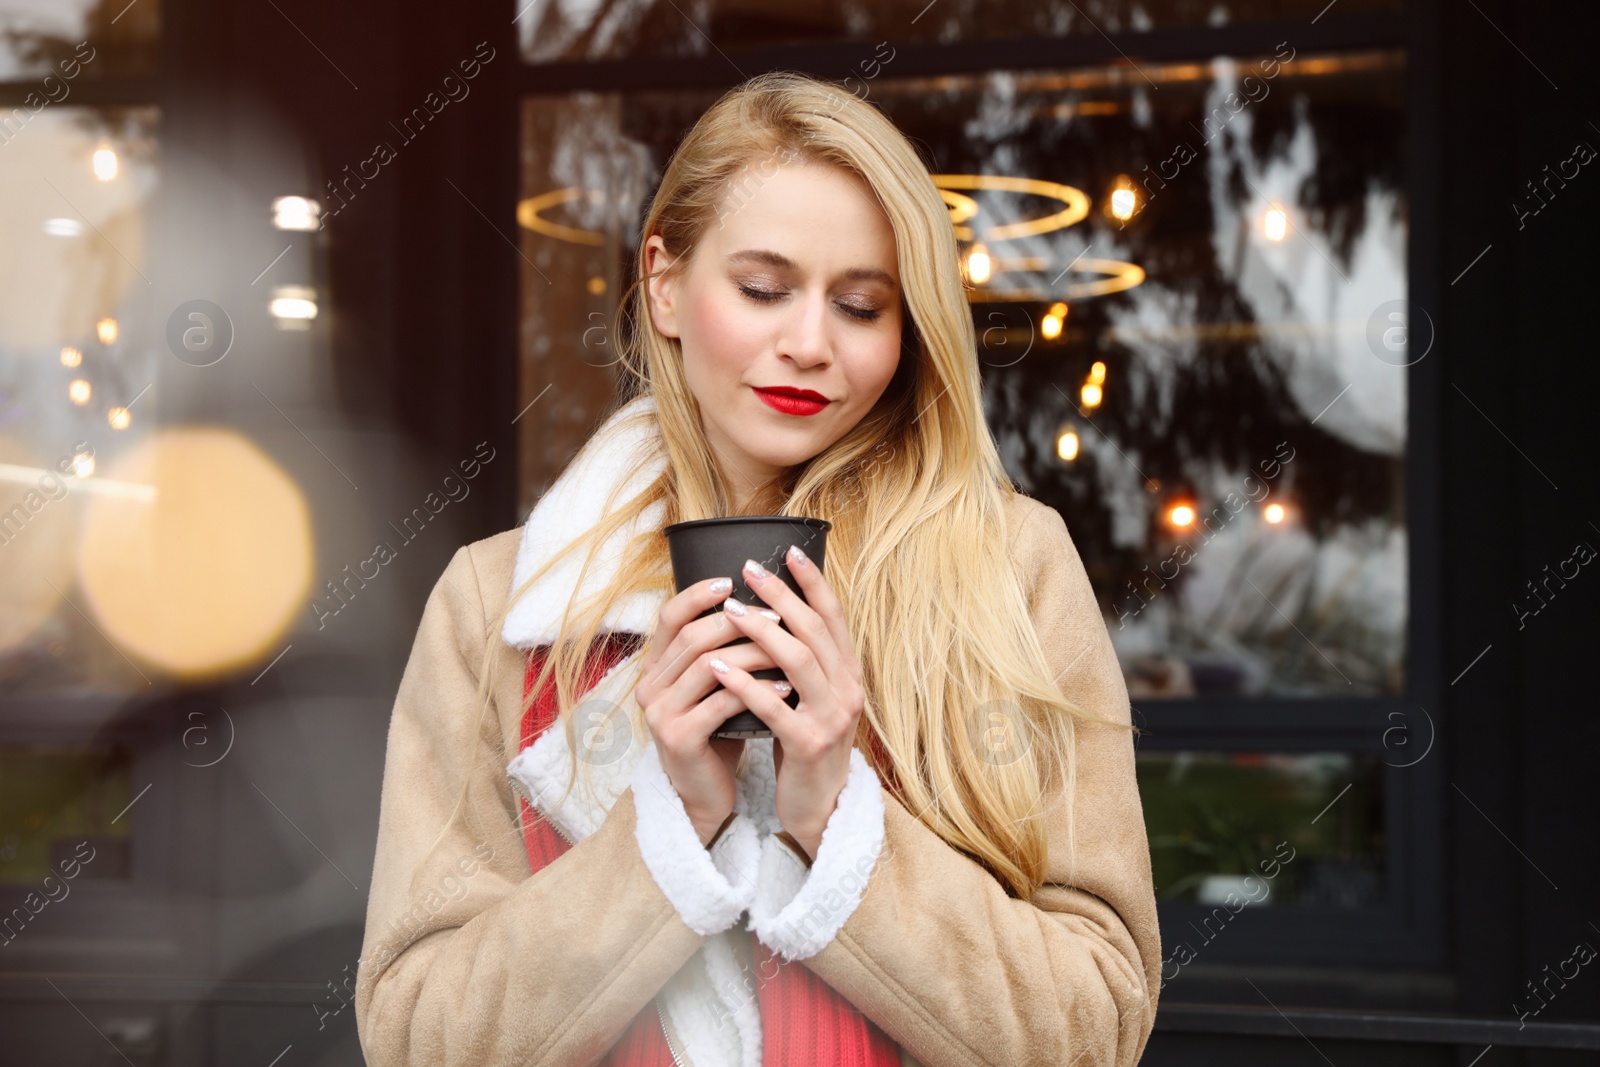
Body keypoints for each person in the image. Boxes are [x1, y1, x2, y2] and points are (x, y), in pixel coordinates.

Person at [353, 70, 1160, 1067]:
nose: (810, 343)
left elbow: (1094, 1027)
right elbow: (421, 1039)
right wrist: (671, 823)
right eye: (764, 289)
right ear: (663, 281)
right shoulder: (501, 603)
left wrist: (834, 816)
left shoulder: (1009, 568)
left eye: (861, 305)